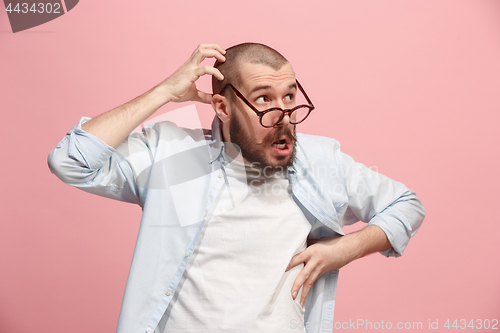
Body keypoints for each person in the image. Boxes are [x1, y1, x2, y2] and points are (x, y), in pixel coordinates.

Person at [48, 43, 425, 333]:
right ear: (222, 108)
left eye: (290, 97)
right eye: (264, 99)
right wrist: (163, 91)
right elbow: (71, 160)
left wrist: (344, 248)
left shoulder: (320, 160)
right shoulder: (171, 152)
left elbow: (406, 205)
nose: (283, 118)